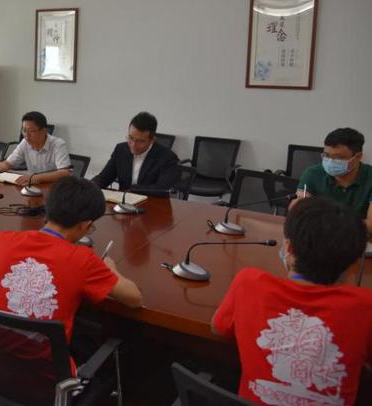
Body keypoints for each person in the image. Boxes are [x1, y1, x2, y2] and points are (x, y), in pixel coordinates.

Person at [212, 197, 372, 405]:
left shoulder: (249, 283)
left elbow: (219, 329)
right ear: (353, 265)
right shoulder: (365, 307)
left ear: (288, 249)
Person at [0, 176, 143, 363]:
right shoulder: (83, 259)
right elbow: (135, 299)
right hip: (47, 373)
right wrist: (111, 268)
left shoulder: (3, 240)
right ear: (85, 225)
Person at [289, 127, 372, 233]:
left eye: (339, 158)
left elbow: (370, 225)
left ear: (358, 157)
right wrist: (297, 207)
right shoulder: (313, 173)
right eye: (326, 156)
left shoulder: (369, 176)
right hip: (320, 236)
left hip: (358, 238)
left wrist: (326, 223)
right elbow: (297, 212)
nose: (330, 162)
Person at [91, 111, 180, 196]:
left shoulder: (167, 157)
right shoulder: (121, 149)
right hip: (123, 202)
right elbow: (104, 178)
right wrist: (88, 186)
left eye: (140, 141)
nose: (133, 145)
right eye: (130, 138)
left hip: (152, 202)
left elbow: (162, 189)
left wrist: (131, 189)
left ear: (152, 140)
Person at [0, 111, 71, 186]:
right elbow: (8, 163)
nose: (26, 135)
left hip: (55, 188)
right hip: (34, 186)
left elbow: (64, 172)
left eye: (32, 131)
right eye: (24, 130)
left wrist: (36, 178)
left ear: (44, 131)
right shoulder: (25, 143)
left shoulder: (58, 144)